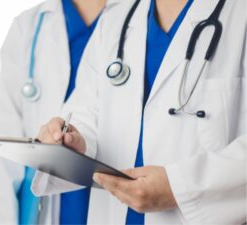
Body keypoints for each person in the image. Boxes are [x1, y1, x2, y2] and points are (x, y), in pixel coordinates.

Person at [34, 0, 247, 224]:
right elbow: (86, 113)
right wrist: (71, 141)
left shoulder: (239, 13)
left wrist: (181, 187)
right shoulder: (116, 19)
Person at [0, 0, 106, 224]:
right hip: (43, 200)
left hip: (109, 191)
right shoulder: (28, 26)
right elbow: (6, 146)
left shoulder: (134, 19)